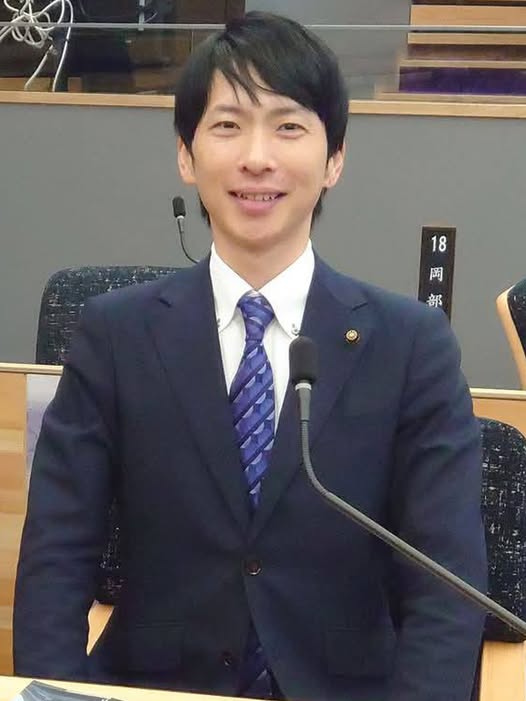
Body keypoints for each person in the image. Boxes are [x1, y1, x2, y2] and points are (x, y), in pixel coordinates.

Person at [14, 11, 487, 701]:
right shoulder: (115, 334)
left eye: (288, 126)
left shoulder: (413, 346)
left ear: (334, 159)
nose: (257, 157)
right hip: (155, 690)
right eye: (228, 126)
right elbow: (55, 558)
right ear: (186, 154)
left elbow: (448, 586)